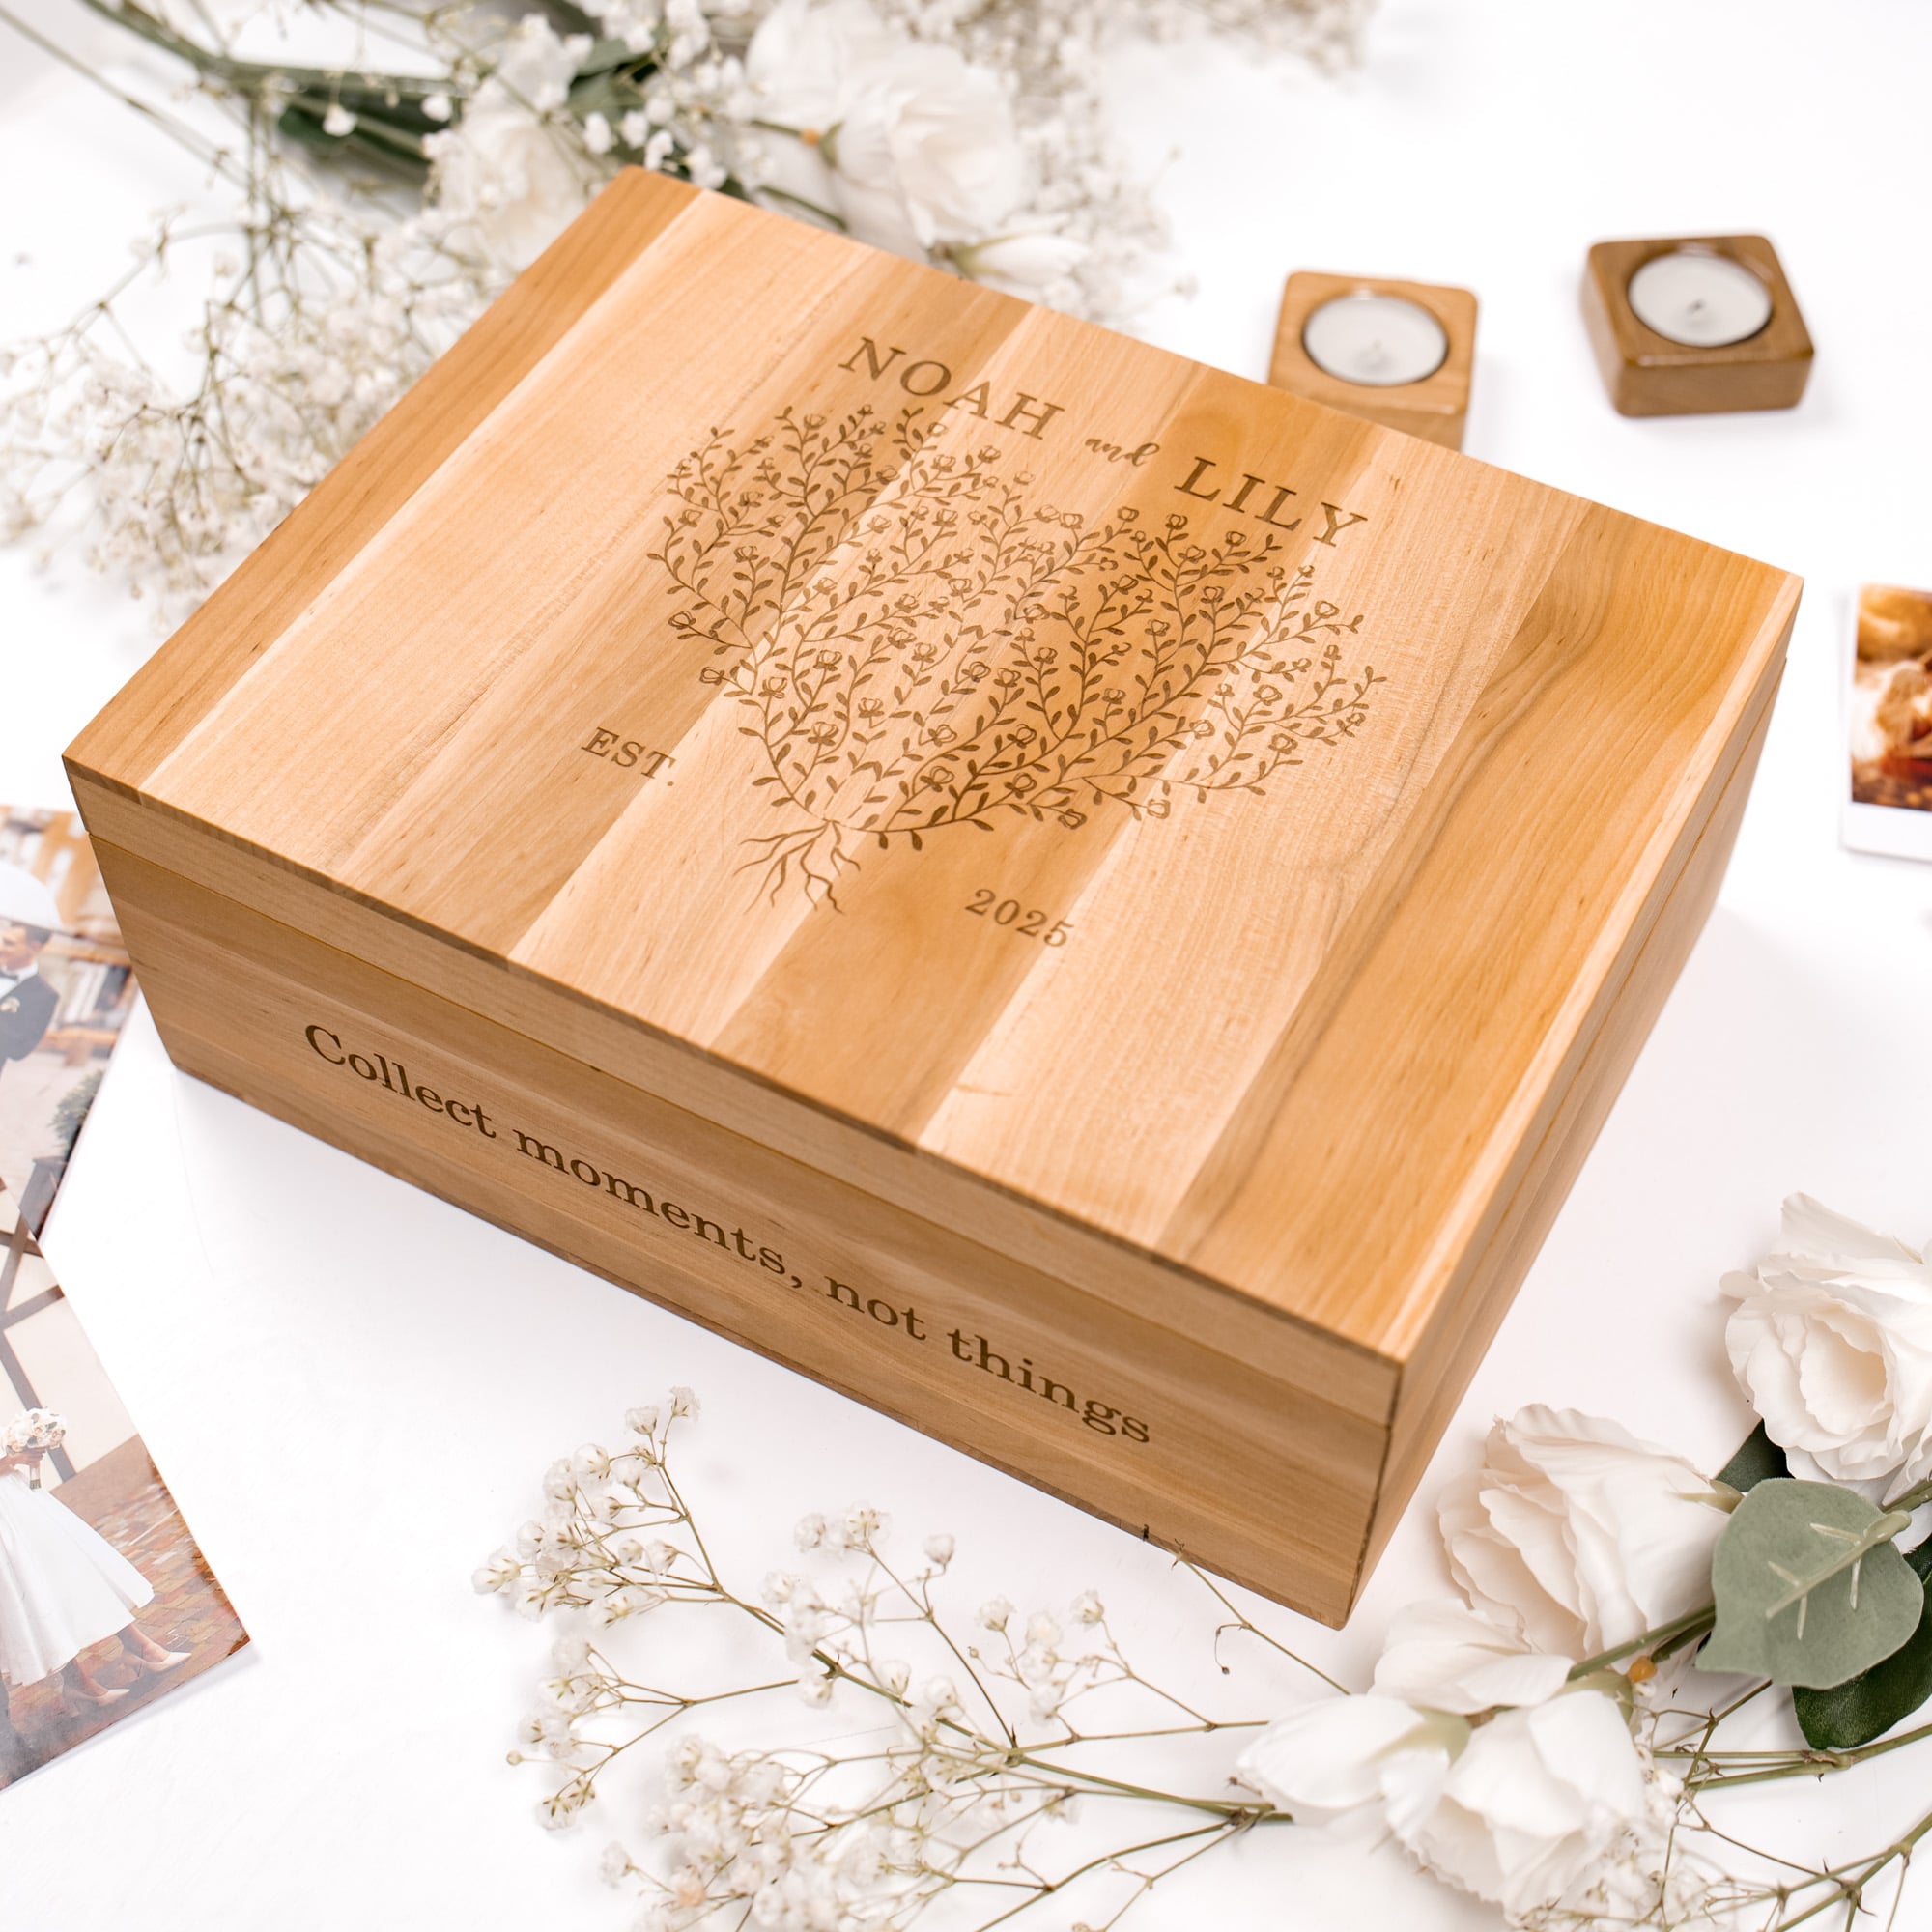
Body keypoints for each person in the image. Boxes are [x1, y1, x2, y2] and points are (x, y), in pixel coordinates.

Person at [0, 1440, 188, 1718]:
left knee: (72, 1568)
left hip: (16, 1497)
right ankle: (80, 1682)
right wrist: (11, 1459)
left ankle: (138, 1646)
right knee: (33, 1590)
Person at [0, 920, 58, 1075]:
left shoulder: (44, 995)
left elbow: (20, 1049)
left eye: (9, 943)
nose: (0, 947)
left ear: (34, 948)